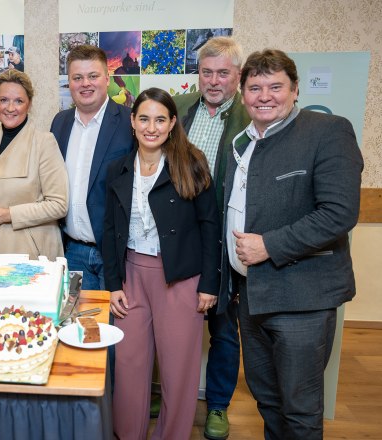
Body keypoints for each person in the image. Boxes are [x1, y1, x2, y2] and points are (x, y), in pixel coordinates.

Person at [224, 49, 363, 439]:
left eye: (275, 86)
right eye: (255, 88)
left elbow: (338, 213)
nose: (264, 96)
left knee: (300, 409)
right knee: (267, 399)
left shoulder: (328, 132)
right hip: (251, 296)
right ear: (243, 94)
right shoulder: (242, 143)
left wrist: (269, 245)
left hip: (302, 299)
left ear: (296, 89)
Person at [103, 87, 221, 440]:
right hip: (131, 276)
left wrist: (209, 285)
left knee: (177, 370)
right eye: (144, 119)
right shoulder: (119, 169)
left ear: (172, 123)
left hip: (180, 279)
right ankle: (128, 434)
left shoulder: (191, 164)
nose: (151, 127)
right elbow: (109, 229)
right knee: (129, 364)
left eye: (159, 120)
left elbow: (210, 226)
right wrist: (113, 284)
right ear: (132, 122)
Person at [172, 36, 250, 440]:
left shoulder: (250, 116)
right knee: (171, 324)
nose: (214, 81)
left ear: (238, 75)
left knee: (222, 329)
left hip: (223, 241)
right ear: (197, 74)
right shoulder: (179, 107)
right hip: (175, 238)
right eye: (207, 72)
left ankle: (217, 405)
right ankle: (168, 394)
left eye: (223, 73)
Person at [50, 44, 132, 290]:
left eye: (93, 76)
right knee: (75, 315)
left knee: (114, 317)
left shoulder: (129, 122)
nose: (85, 84)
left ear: (107, 78)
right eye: (77, 78)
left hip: (115, 255)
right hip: (71, 251)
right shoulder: (60, 123)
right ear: (69, 83)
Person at [0, 69, 68, 259]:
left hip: (29, 253)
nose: (10, 108)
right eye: (3, 100)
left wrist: (8, 214)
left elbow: (59, 205)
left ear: (29, 104)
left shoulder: (44, 142)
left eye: (18, 101)